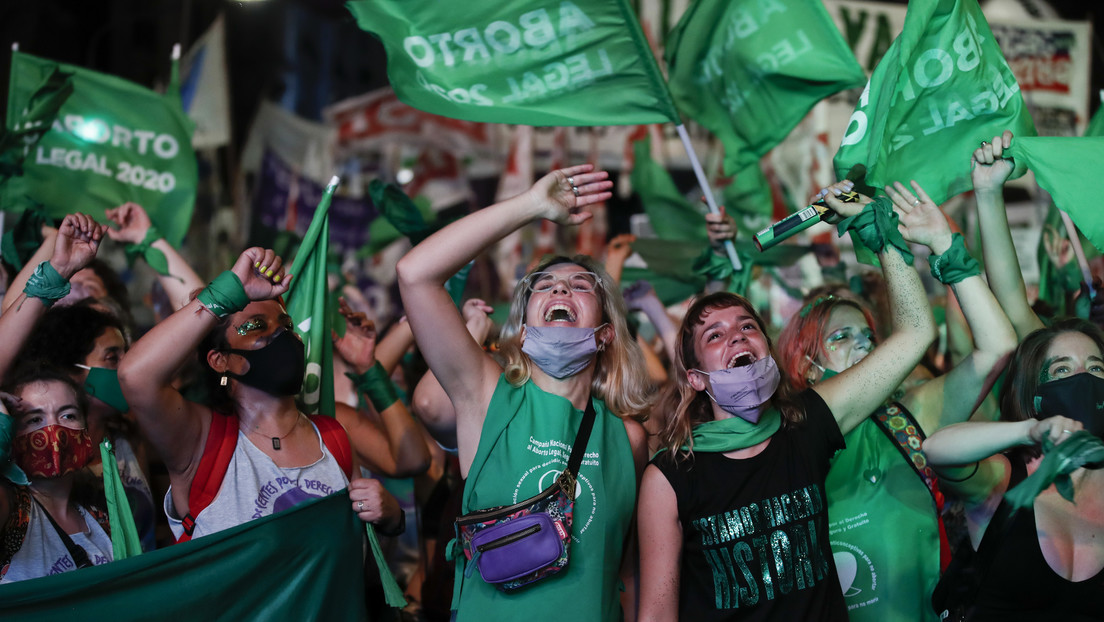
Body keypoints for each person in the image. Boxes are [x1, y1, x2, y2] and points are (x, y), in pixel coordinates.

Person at [637, 182, 937, 621]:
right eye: (714, 336)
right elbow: (656, 614)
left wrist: (879, 233)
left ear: (768, 349)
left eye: (747, 326)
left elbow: (915, 334)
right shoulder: (670, 476)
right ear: (697, 379)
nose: (736, 336)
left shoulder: (806, 425)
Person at [396, 164, 649, 622]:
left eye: (580, 286)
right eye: (544, 286)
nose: (560, 287)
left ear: (606, 334)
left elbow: (627, 570)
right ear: (524, 330)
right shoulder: (486, 395)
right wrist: (532, 205)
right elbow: (415, 273)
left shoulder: (628, 438)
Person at [775, 181, 1017, 621]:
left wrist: (945, 247)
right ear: (807, 366)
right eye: (841, 337)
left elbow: (997, 347)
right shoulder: (786, 438)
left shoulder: (909, 418)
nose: (863, 344)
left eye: (869, 337)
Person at [116, 247, 403, 541]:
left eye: (286, 325)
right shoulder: (200, 441)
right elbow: (135, 376)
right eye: (255, 326)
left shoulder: (333, 437)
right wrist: (228, 291)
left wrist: (391, 516)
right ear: (220, 360)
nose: (280, 334)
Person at [923, 318, 1104, 620]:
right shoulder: (1003, 478)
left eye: (1096, 367)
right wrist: (1027, 431)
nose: (1084, 378)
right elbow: (934, 448)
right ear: (1035, 398)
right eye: (1063, 369)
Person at [0, 214, 114, 583]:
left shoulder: (102, 514)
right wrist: (58, 270)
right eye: (33, 419)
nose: (53, 431)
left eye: (67, 415)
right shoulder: (11, 514)